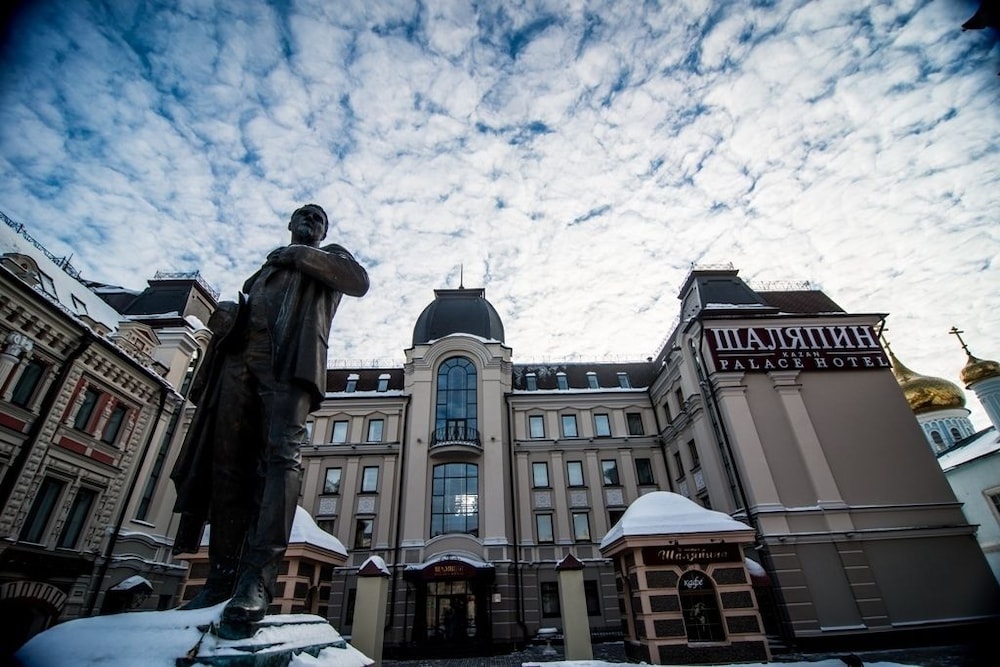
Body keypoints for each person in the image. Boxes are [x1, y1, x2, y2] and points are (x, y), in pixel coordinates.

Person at [170, 204, 369, 626]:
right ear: (289, 223)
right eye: (304, 216)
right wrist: (231, 316)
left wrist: (294, 254)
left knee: (280, 460)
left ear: (323, 232)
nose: (310, 221)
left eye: (318, 219)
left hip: (290, 364)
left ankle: (256, 581)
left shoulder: (327, 259)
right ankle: (220, 578)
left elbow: (357, 281)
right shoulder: (262, 272)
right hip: (239, 362)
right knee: (227, 468)